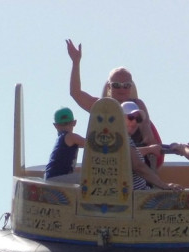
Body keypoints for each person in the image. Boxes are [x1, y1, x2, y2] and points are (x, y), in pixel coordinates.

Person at [66, 39, 162, 167]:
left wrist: (152, 148)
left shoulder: (138, 105)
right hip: (108, 162)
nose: (122, 89)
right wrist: (76, 62)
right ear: (109, 87)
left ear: (131, 87)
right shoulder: (102, 106)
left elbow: (148, 136)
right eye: (116, 85)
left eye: (126, 85)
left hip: (135, 162)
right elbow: (76, 93)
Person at [44, 107, 86, 180]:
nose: (65, 127)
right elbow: (92, 144)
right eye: (62, 124)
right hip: (57, 178)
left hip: (50, 177)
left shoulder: (61, 140)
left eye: (67, 123)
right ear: (74, 122)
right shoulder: (71, 137)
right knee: (89, 178)